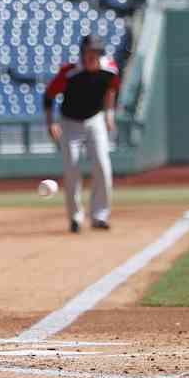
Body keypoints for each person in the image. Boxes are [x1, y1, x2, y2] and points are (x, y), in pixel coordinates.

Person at [44, 34, 119, 233]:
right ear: (82, 53)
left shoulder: (109, 69)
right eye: (87, 52)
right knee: (72, 168)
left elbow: (112, 90)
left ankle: (100, 216)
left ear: (100, 53)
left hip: (95, 120)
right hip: (70, 123)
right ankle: (75, 218)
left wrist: (110, 114)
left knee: (103, 165)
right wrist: (51, 123)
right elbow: (49, 96)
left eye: (94, 52)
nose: (90, 56)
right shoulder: (70, 72)